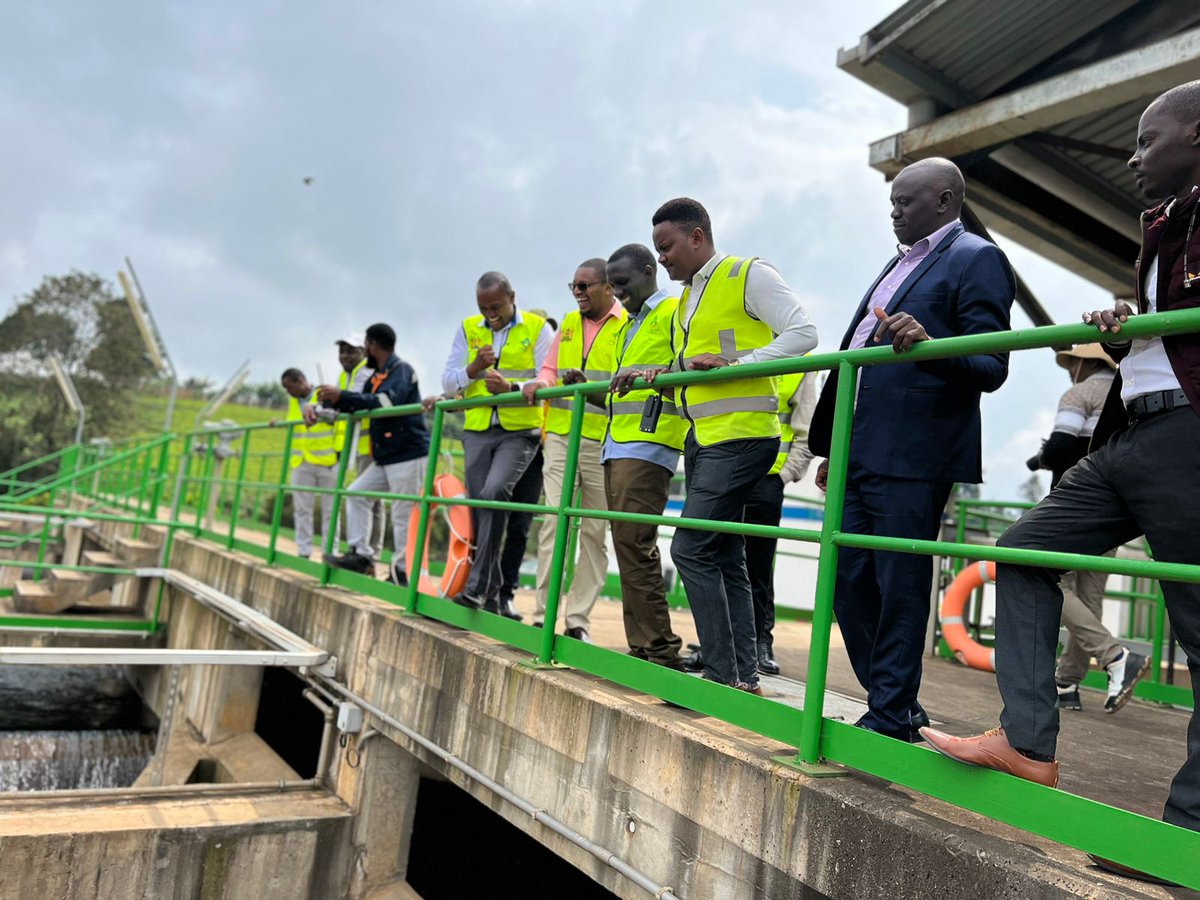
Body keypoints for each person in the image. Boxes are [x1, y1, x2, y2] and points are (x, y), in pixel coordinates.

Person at [922, 82, 1200, 884]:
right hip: (1134, 431)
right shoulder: (1162, 221)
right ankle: (1028, 743)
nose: (1132, 154)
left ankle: (1187, 833)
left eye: (1149, 140)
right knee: (1022, 552)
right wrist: (1129, 316)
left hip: (1191, 434)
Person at [808, 158, 1015, 742]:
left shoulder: (977, 258)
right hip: (860, 450)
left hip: (915, 455)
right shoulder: (899, 264)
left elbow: (991, 364)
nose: (894, 212)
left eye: (905, 202)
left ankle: (891, 712)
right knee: (847, 578)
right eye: (892, 203)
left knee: (898, 581)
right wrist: (838, 442)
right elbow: (861, 360)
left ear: (945, 200)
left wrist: (930, 344)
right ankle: (893, 700)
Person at [615, 198, 818, 693]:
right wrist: (655, 374)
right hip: (703, 438)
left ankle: (722, 674)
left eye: (667, 248)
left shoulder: (747, 274)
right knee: (725, 554)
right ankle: (741, 676)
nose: (662, 258)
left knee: (690, 548)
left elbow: (804, 333)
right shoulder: (689, 297)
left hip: (743, 437)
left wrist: (742, 362)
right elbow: (698, 364)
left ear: (697, 237)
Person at [1025, 343, 1148, 712]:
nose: (1069, 370)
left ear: (1082, 363)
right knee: (1090, 593)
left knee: (1048, 577)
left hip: (1077, 501)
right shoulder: (1127, 390)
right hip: (1118, 505)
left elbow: (1063, 445)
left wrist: (1040, 459)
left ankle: (1114, 654)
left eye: (1071, 364)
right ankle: (1067, 683)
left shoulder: (1080, 392)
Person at [522, 259, 626, 642]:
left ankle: (578, 619)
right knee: (554, 523)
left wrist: (587, 384)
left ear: (608, 287)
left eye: (585, 286)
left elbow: (624, 381)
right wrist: (539, 381)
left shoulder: (625, 325)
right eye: (574, 287)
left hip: (601, 440)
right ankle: (543, 613)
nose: (578, 293)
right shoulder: (566, 323)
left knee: (595, 532)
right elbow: (549, 369)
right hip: (563, 435)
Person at [442, 272, 552, 610]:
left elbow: (547, 379)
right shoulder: (467, 328)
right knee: (480, 506)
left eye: (496, 306)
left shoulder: (538, 328)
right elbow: (448, 383)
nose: (490, 314)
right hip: (476, 430)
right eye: (483, 307)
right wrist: (473, 368)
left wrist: (510, 390)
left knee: (494, 494)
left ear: (512, 296)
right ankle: (489, 591)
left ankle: (482, 588)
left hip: (519, 431)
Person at [602, 243, 687, 667]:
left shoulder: (672, 311)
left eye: (622, 283)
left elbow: (684, 365)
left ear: (649, 271)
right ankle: (642, 644)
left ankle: (661, 648)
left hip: (651, 441)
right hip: (616, 441)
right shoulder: (626, 325)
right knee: (624, 542)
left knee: (635, 541)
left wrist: (655, 375)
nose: (617, 292)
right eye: (612, 286)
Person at [319, 324, 430, 582]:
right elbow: (359, 402)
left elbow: (385, 401)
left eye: (366, 344)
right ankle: (361, 556)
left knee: (402, 513)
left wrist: (343, 396)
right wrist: (333, 400)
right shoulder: (376, 374)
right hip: (386, 456)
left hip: (408, 454)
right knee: (356, 494)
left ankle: (402, 572)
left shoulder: (401, 370)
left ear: (373, 345)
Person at [743, 371, 817, 675]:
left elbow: (806, 433)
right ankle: (718, 642)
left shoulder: (800, 364)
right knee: (718, 559)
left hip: (766, 479)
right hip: (726, 471)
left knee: (758, 566)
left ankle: (760, 643)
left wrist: (783, 476)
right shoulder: (743, 344)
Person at [335, 336, 384, 561]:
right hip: (359, 445)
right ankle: (363, 550)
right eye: (342, 351)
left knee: (369, 498)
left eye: (350, 351)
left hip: (372, 443)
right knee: (366, 497)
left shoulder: (366, 371)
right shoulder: (345, 376)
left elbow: (354, 402)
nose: (345, 355)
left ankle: (369, 552)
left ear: (363, 352)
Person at [280, 368, 337, 560]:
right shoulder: (293, 402)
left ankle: (330, 552)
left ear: (301, 381)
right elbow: (292, 423)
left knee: (331, 509)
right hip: (301, 461)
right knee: (302, 509)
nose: (288, 392)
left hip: (326, 460)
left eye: (290, 388)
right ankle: (303, 551)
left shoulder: (324, 396)